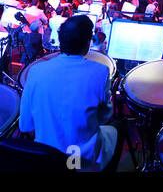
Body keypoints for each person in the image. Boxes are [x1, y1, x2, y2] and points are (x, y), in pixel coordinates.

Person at [19, 15, 124, 172]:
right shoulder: (100, 72)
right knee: (119, 127)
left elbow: (25, 125)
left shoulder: (35, 71)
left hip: (45, 157)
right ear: (88, 42)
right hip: (78, 160)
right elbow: (104, 118)